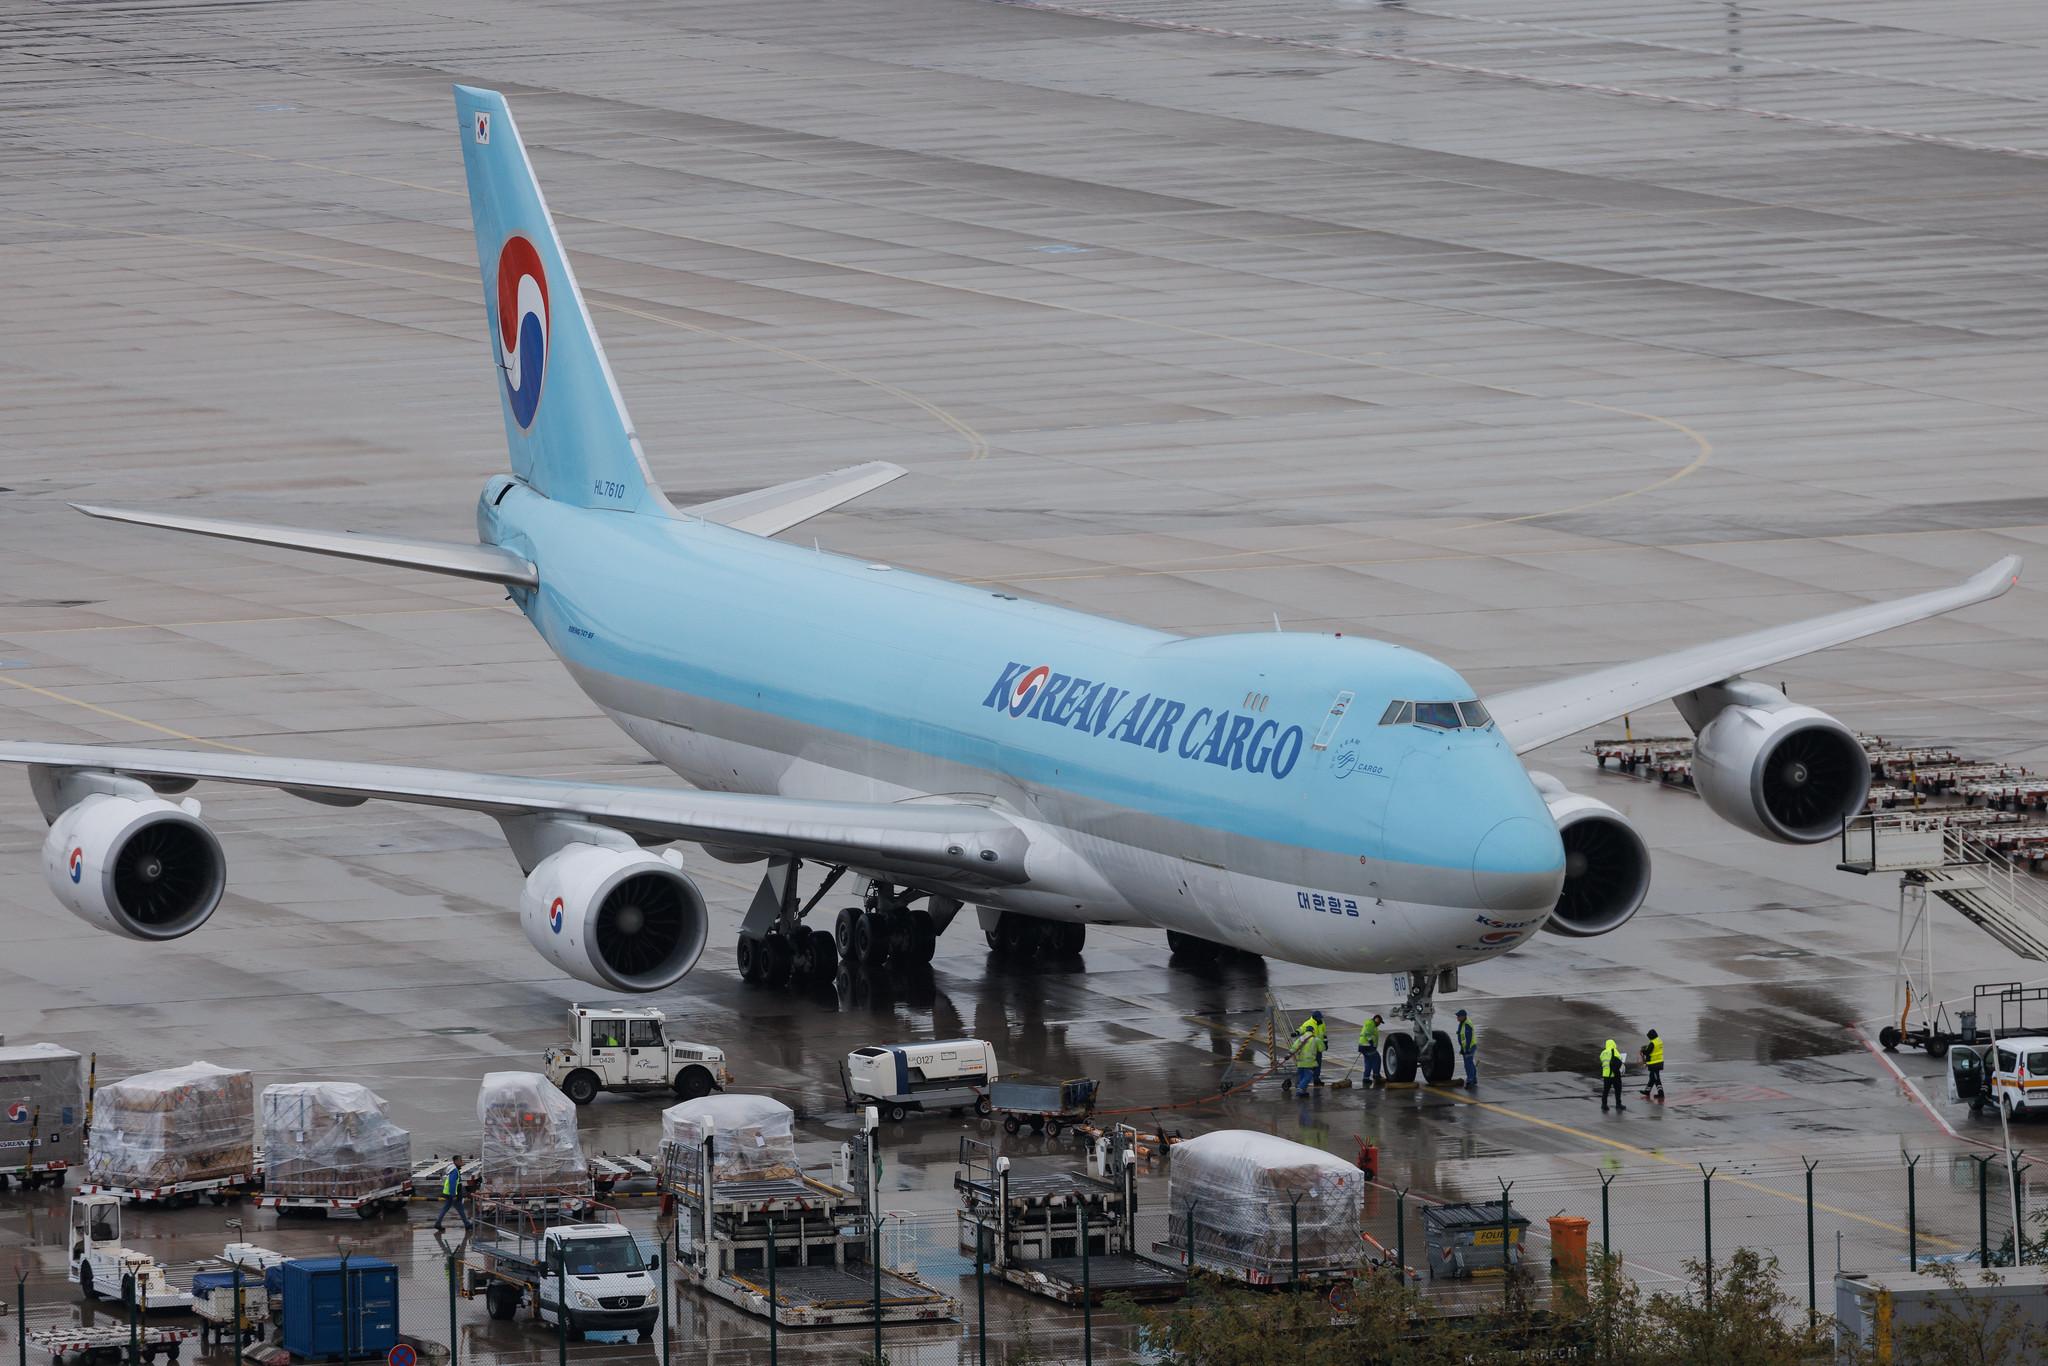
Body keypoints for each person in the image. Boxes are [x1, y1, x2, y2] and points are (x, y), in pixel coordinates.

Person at [434, 1155, 472, 1233]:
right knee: (460, 1209)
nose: (462, 1162)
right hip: (453, 1194)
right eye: (460, 1160)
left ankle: (438, 1223)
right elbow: (452, 1183)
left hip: (449, 1193)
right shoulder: (454, 1171)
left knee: (447, 1208)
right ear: (456, 1161)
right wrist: (454, 1195)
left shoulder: (453, 1170)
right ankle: (467, 1225)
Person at [1599, 1039, 1627, 1112]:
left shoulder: (1603, 1053)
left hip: (1606, 1075)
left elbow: (1602, 1060)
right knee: (1618, 1089)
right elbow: (1620, 1060)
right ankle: (1618, 1104)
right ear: (1613, 1044)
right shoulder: (1614, 1051)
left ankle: (1604, 1105)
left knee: (1606, 1090)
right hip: (1614, 1074)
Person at [1358, 1014, 1384, 1087]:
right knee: (1376, 1059)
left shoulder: (1372, 1025)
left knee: (1368, 1061)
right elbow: (1367, 1033)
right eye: (1379, 1022)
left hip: (1364, 1046)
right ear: (1377, 1020)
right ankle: (1376, 1075)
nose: (1379, 1024)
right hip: (1367, 1046)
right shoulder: (1370, 1023)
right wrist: (1371, 1041)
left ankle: (1366, 1078)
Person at [1639, 1030, 1665, 1101]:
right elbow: (1654, 1050)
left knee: (1656, 1079)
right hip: (1659, 1062)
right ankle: (1647, 1091)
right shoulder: (1658, 1041)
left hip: (1654, 1063)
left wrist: (1642, 1051)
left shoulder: (1652, 1043)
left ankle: (1661, 1093)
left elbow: (1648, 1052)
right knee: (1652, 1077)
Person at [1455, 1009, 1477, 1087]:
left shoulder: (1467, 1024)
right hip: (1466, 1047)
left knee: (1468, 1064)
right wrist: (1462, 1048)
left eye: (1458, 1016)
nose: (1457, 1018)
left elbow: (1468, 1038)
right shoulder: (1462, 1023)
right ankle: (1473, 1078)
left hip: (1470, 1047)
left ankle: (1470, 1080)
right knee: (1470, 1063)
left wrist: (1467, 1049)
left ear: (1463, 1016)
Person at [1309, 1010, 1329, 1087]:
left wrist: (1326, 1043)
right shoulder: (1309, 1023)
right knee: (1310, 1065)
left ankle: (1316, 1079)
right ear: (1315, 1018)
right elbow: (1302, 1030)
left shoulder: (1322, 1023)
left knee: (1318, 1064)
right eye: (1319, 1018)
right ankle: (1304, 1080)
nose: (1320, 1019)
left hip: (1318, 1048)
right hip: (1311, 1048)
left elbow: (1324, 1034)